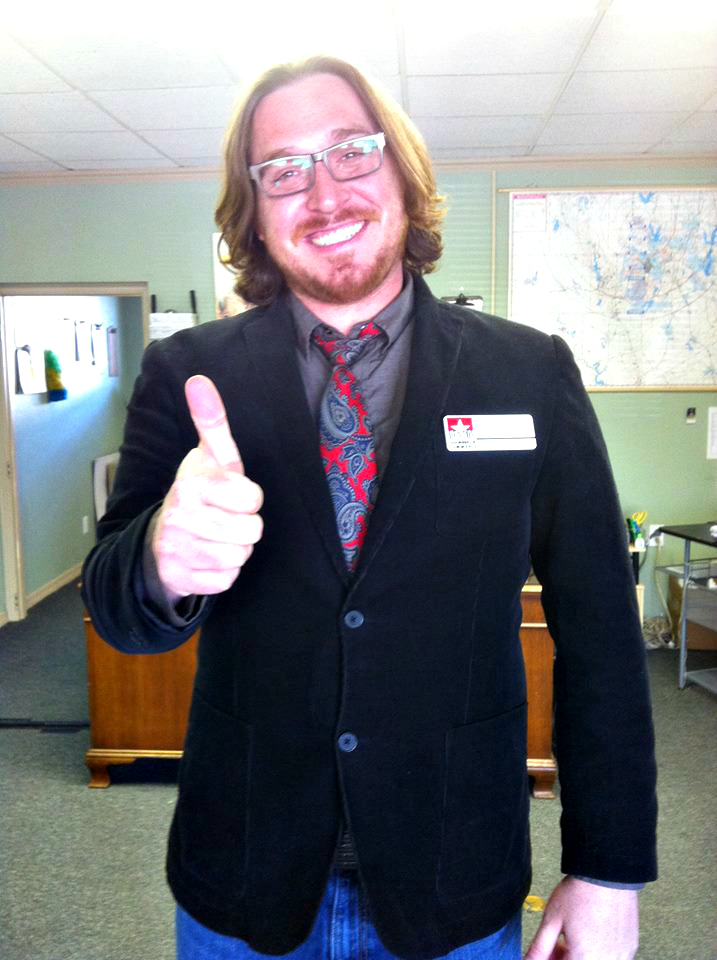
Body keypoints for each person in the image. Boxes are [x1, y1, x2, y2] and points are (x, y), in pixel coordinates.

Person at [81, 55, 657, 960]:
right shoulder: (190, 373)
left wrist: (606, 869)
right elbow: (114, 606)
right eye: (281, 171)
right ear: (255, 215)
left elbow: (599, 636)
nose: (322, 190)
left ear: (402, 174)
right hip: (243, 873)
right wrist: (159, 558)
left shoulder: (527, 372)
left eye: (351, 151)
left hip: (454, 868)